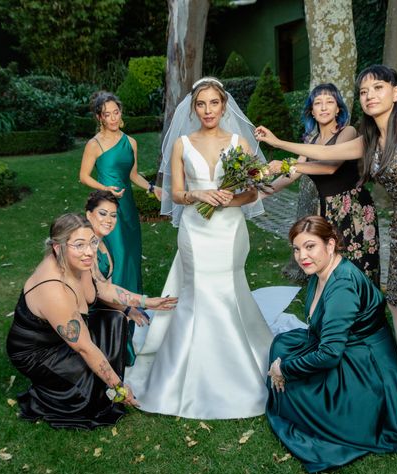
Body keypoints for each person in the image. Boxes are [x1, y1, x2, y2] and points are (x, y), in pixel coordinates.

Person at [256, 65, 397, 443]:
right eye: (363, 91)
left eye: (378, 87)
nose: (370, 95)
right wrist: (280, 146)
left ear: (395, 92)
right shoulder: (370, 139)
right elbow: (325, 156)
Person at [125, 77, 273, 419]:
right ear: (194, 108)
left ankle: (239, 362)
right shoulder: (181, 143)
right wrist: (198, 195)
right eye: (201, 104)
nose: (208, 110)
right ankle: (186, 368)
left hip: (229, 228)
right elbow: (176, 194)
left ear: (224, 106)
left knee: (227, 289)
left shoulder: (240, 142)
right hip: (194, 227)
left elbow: (253, 193)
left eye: (214, 103)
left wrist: (228, 198)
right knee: (198, 290)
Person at [266, 216, 397, 473]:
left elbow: (329, 355)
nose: (302, 255)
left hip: (365, 363)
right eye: (296, 248)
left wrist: (285, 370)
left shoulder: (343, 286)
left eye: (309, 246)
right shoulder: (320, 270)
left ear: (330, 244)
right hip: (344, 346)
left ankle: (344, 416)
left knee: (295, 385)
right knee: (282, 344)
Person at [6, 213, 176, 430]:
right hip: (37, 352)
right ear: (58, 248)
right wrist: (119, 388)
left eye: (92, 242)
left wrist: (147, 302)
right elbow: (85, 348)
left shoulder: (81, 259)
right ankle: (48, 395)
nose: (89, 251)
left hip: (64, 337)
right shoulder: (53, 289)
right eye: (79, 245)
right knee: (93, 394)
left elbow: (99, 291)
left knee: (114, 319)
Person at [264, 83, 380, 285]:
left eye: (330, 102)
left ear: (338, 109)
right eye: (318, 103)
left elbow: (330, 166)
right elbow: (292, 174)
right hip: (328, 210)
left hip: (354, 210)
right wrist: (261, 193)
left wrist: (286, 162)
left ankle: (366, 313)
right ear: (311, 111)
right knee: (333, 267)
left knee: (360, 265)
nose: (324, 107)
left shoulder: (348, 132)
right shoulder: (311, 141)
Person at [80, 91, 161, 365]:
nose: (113, 118)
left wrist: (151, 187)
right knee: (118, 259)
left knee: (131, 259)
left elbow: (134, 175)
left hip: (127, 211)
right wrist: (105, 188)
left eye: (116, 112)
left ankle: (133, 312)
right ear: (99, 117)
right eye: (107, 114)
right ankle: (116, 324)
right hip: (107, 209)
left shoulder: (131, 143)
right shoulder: (95, 144)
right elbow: (83, 176)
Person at [84, 189, 149, 328]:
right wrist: (145, 302)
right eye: (102, 213)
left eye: (113, 215)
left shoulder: (104, 243)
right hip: (83, 316)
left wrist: (126, 309)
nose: (108, 220)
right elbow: (100, 290)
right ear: (89, 215)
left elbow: (105, 288)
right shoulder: (84, 247)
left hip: (100, 308)